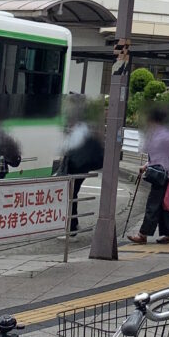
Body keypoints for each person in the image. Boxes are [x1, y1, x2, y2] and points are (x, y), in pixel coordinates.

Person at [129, 105, 169, 244]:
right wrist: (146, 165)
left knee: (152, 204)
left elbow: (168, 154)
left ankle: (143, 234)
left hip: (161, 175)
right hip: (162, 173)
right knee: (163, 206)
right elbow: (157, 156)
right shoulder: (161, 134)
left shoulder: (162, 135)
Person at [56, 97, 104, 234]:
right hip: (80, 166)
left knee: (71, 195)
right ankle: (73, 223)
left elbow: (68, 147)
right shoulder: (84, 127)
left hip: (76, 167)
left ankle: (72, 226)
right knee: (72, 194)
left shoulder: (80, 129)